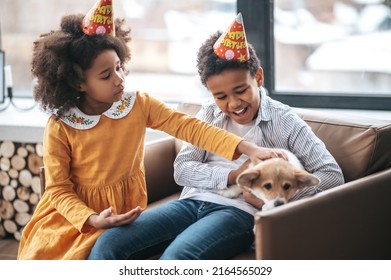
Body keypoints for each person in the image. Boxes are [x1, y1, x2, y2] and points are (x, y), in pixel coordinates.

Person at [17, 3, 285, 260]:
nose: (120, 79)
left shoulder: (138, 104)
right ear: (78, 82)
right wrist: (91, 218)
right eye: (106, 75)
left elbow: (190, 127)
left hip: (123, 212)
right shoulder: (61, 126)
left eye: (119, 68)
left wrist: (249, 148)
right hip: (73, 218)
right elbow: (58, 190)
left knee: (110, 247)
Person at [88, 13, 344, 260]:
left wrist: (274, 198)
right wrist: (232, 175)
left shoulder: (284, 120)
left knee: (178, 258)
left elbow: (332, 175)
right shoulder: (209, 114)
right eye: (221, 96)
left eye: (241, 90)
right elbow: (183, 169)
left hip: (238, 212)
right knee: (108, 244)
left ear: (258, 78)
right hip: (191, 202)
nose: (234, 103)